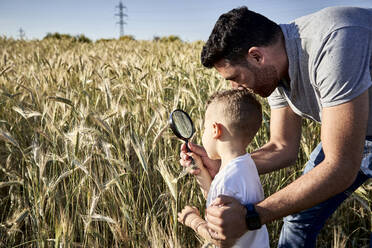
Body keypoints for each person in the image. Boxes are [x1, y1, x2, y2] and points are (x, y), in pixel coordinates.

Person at [180, 6, 372, 248]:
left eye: (236, 78)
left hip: (345, 148)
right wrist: (224, 165)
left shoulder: (334, 41)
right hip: (352, 136)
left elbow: (341, 165)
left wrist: (252, 216)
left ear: (256, 56)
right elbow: (283, 147)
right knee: (298, 220)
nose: (236, 89)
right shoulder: (273, 71)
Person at [177, 89, 269, 247]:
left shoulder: (229, 178)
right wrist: (200, 169)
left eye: (205, 128)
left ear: (215, 130)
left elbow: (221, 240)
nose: (203, 134)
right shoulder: (246, 165)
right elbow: (216, 197)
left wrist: (193, 220)